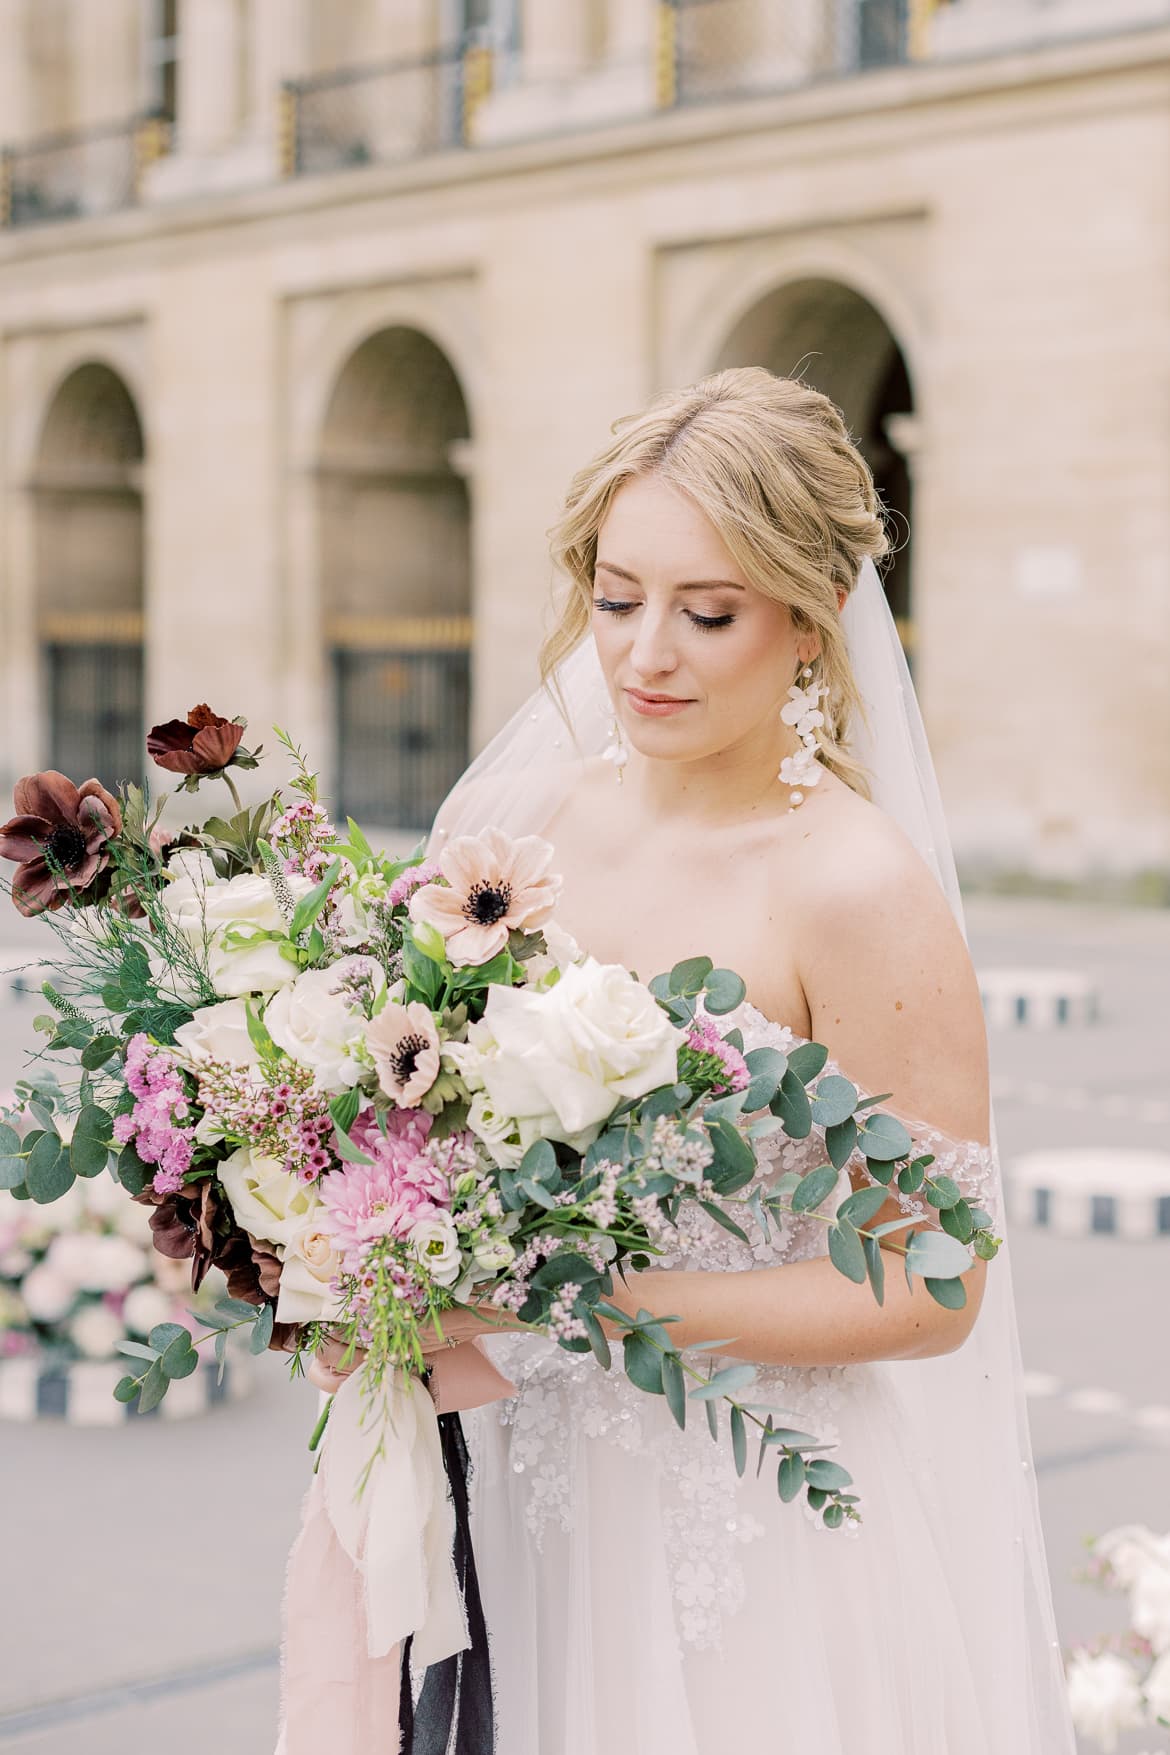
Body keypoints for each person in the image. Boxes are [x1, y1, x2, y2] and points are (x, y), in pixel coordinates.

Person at [312, 368, 1076, 1753]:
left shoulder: (852, 887)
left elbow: (930, 1285)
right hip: (520, 1498)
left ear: (809, 619)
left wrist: (564, 1295)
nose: (641, 654)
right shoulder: (517, 823)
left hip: (749, 1531)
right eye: (614, 598)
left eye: (705, 611)